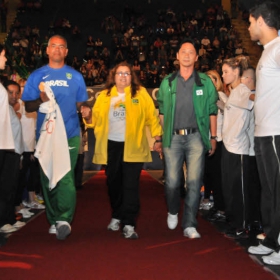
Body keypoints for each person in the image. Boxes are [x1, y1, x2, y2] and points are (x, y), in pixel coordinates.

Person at [81, 61, 162, 239]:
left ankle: (129, 223)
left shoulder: (140, 94)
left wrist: (158, 138)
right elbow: (95, 120)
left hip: (133, 146)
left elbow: (151, 117)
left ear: (131, 76)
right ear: (113, 76)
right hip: (111, 147)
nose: (123, 76)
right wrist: (88, 116)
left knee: (131, 186)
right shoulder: (103, 95)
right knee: (113, 184)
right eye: (120, 73)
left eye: (126, 73)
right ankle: (117, 215)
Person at [21, 35, 88, 240]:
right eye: (53, 46)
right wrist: (40, 99)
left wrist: (86, 109)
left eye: (61, 46)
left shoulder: (75, 76)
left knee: (66, 176)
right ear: (47, 51)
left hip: (69, 134)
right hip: (46, 136)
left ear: (66, 52)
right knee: (48, 177)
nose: (57, 49)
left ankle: (64, 219)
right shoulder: (37, 75)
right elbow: (28, 105)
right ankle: (53, 219)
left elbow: (81, 104)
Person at [157, 39, 218, 239]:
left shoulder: (205, 82)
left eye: (191, 52)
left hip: (196, 138)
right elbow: (162, 113)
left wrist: (213, 136)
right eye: (183, 52)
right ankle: (173, 210)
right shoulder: (167, 82)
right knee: (172, 182)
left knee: (194, 182)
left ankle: (190, 224)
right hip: (173, 139)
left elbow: (212, 111)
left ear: (196, 57)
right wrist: (161, 137)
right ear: (177, 57)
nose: (186, 55)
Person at [246, 1, 280, 265]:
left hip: (275, 132)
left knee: (277, 190)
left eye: (249, 21)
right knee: (269, 190)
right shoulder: (268, 51)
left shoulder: (278, 47)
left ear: (260, 21)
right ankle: (271, 239)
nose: (247, 27)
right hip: (263, 133)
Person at [220, 56, 254, 239]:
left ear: (236, 72)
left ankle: (242, 225)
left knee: (239, 189)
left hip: (239, 149)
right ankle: (233, 222)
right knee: (230, 188)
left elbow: (254, 97)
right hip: (228, 146)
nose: (223, 75)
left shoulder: (241, 90)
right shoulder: (233, 93)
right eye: (223, 72)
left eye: (226, 72)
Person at [202, 70, 227, 222]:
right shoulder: (203, 97)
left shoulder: (220, 96)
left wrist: (224, 106)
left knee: (217, 177)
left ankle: (221, 208)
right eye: (207, 79)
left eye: (213, 79)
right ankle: (216, 205)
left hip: (219, 141)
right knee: (208, 175)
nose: (210, 82)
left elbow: (230, 114)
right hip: (206, 140)